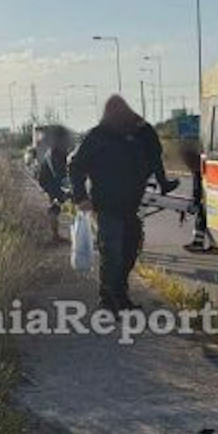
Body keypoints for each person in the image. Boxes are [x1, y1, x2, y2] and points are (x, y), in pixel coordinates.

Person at [70, 95, 178, 310]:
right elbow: (75, 165)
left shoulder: (134, 135)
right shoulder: (97, 136)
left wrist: (144, 126)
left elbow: (152, 150)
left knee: (128, 252)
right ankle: (108, 300)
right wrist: (81, 197)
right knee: (112, 255)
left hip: (130, 206)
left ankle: (119, 296)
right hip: (108, 206)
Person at [34, 125, 72, 243]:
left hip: (52, 180)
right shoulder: (53, 153)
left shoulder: (61, 151)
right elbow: (58, 174)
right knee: (56, 205)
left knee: (60, 204)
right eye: (65, 139)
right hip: (49, 182)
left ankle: (56, 235)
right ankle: (55, 235)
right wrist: (67, 189)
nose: (67, 142)